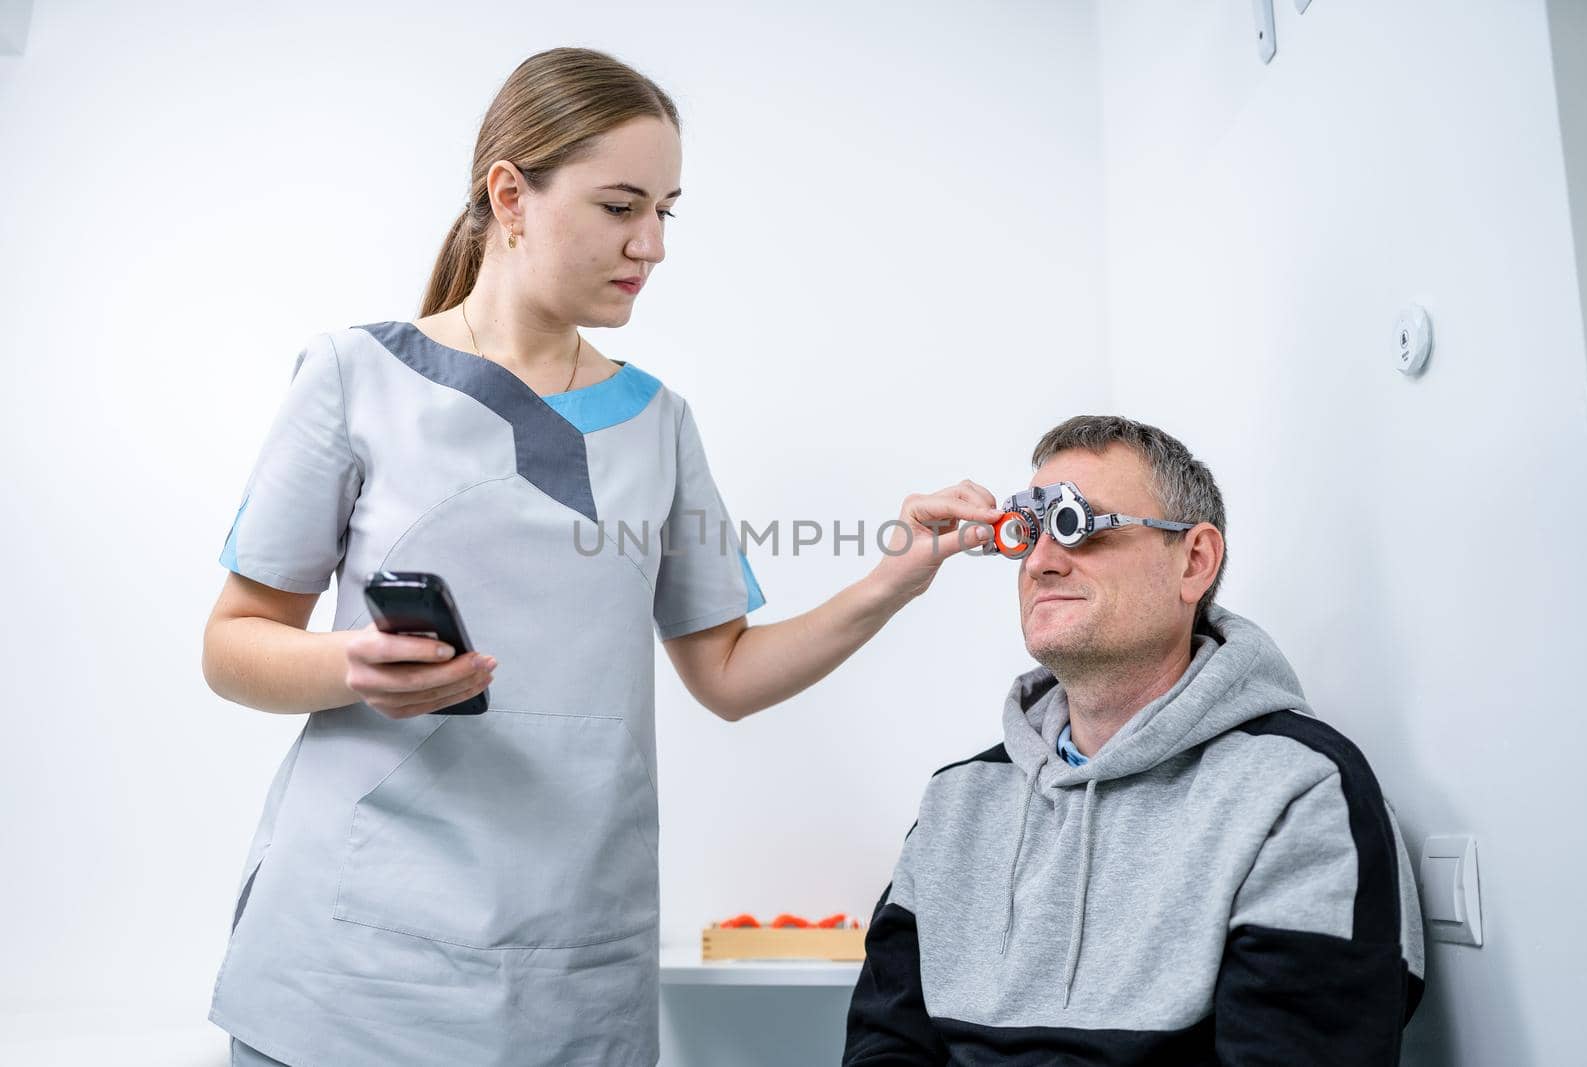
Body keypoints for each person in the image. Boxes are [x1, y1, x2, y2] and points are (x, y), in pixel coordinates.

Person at [201, 47, 999, 1067]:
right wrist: (350, 663)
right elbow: (233, 643)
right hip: (350, 971)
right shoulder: (356, 375)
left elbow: (726, 675)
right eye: (622, 205)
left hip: (569, 969)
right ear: (510, 195)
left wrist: (893, 576)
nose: (653, 243)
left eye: (668, 209)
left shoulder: (658, 423)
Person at [844, 415, 1425, 1066]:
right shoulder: (958, 802)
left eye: (1075, 524)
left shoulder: (1300, 796)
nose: (1040, 560)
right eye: (1027, 531)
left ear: (1194, 561)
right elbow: (882, 1047)